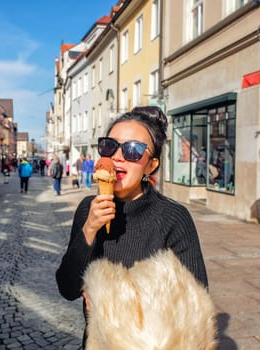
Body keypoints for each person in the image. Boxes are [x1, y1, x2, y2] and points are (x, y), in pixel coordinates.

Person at [55, 106, 208, 347]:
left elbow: (194, 305)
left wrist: (110, 301)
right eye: (109, 146)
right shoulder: (88, 209)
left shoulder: (174, 218)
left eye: (133, 150)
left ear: (151, 166)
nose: (117, 156)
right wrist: (89, 230)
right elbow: (67, 288)